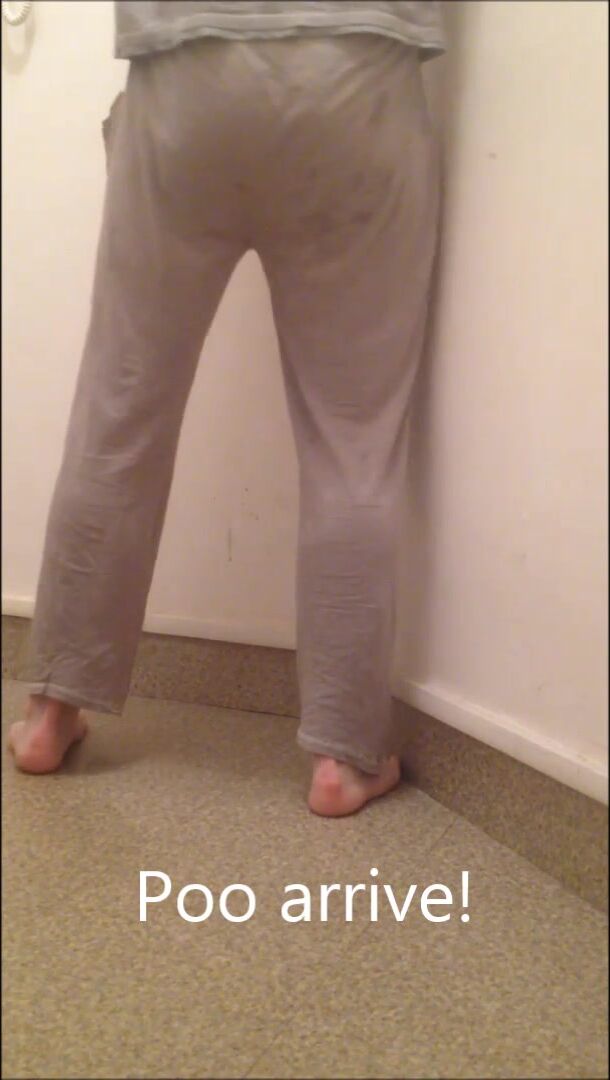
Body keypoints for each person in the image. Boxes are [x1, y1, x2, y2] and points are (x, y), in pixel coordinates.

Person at [8, 1, 445, 816]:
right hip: (358, 71)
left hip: (182, 69)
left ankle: (49, 714)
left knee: (119, 411)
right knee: (353, 442)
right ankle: (343, 757)